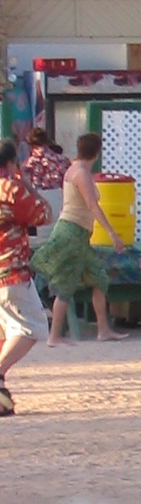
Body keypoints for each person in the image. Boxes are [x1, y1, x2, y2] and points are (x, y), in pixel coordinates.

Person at [31, 132, 127, 345]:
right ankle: (54, 335)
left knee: (99, 278)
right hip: (72, 232)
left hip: (77, 233)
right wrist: (112, 233)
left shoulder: (75, 169)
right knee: (66, 285)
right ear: (97, 152)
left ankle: (103, 329)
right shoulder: (81, 173)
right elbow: (93, 205)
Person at [0, 140, 51, 415]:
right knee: (32, 327)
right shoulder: (11, 188)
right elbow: (45, 214)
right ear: (10, 164)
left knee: (4, 333)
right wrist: (27, 184)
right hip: (11, 271)